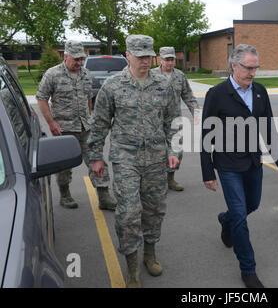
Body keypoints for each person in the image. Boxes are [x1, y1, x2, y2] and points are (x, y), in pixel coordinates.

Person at [88, 35, 180, 288]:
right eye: (139, 56)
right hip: (125, 157)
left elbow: (173, 120)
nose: (144, 61)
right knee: (128, 213)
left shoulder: (163, 84)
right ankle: (132, 267)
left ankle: (149, 254)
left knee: (154, 210)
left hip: (155, 159)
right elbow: (100, 123)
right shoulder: (112, 85)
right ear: (127, 55)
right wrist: (96, 156)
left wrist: (174, 150)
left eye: (148, 56)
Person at [201, 44, 278, 288]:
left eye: (255, 68)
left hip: (252, 162)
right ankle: (248, 269)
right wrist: (207, 171)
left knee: (252, 204)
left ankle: (225, 219)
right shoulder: (217, 94)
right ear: (234, 66)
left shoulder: (259, 91)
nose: (253, 73)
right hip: (227, 164)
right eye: (248, 68)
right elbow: (207, 134)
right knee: (241, 215)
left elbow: (268, 128)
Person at [36, 40, 115, 210]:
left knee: (97, 159)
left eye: (81, 59)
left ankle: (104, 196)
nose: (79, 63)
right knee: (64, 165)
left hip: (85, 128)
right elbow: (41, 98)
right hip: (63, 129)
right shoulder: (52, 74)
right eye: (75, 59)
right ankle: (65, 195)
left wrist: (89, 117)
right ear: (65, 56)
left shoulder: (86, 74)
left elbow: (88, 98)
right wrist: (51, 123)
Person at [151, 46, 199, 191]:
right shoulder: (151, 75)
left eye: (172, 60)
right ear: (160, 59)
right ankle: (156, 181)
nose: (170, 63)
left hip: (175, 120)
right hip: (155, 120)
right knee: (156, 151)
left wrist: (196, 113)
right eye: (167, 60)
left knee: (176, 149)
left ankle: (170, 179)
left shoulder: (179, 76)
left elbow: (188, 96)